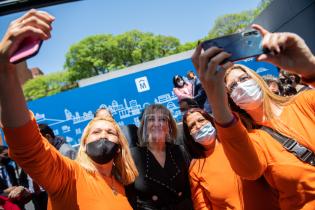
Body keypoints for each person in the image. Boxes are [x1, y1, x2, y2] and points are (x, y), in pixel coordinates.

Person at [0, 9, 138, 210]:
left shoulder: (122, 184)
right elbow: (27, 146)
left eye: (110, 132)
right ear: (83, 141)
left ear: (120, 144)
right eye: (96, 131)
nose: (103, 135)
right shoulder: (68, 176)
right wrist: (5, 70)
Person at [192, 23, 315, 209]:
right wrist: (216, 100)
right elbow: (249, 170)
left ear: (258, 80)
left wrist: (309, 66)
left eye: (243, 79)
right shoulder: (252, 140)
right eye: (232, 87)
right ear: (231, 98)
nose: (240, 86)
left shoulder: (304, 102)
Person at [182, 108, 279, 210]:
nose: (198, 126)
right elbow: (201, 206)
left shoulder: (236, 144)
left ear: (211, 121)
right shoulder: (195, 169)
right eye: (192, 126)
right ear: (189, 135)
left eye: (201, 120)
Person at [126, 104, 194, 210]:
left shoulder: (180, 151)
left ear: (169, 126)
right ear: (144, 126)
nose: (157, 124)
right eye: (151, 119)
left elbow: (193, 189)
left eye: (162, 119)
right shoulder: (133, 156)